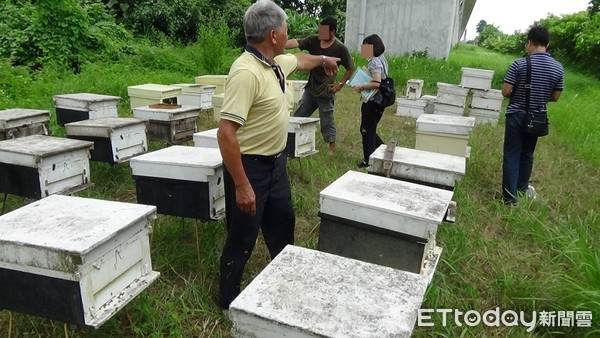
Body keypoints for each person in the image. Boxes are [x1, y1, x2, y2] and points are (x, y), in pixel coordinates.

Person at [216, 0, 340, 310]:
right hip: (250, 169)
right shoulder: (246, 72)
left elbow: (298, 59)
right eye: (285, 29)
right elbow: (226, 133)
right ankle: (228, 300)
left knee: (283, 225)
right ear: (274, 35)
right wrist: (242, 184)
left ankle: (286, 283)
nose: (288, 33)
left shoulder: (274, 63)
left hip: (276, 164)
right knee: (242, 237)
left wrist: (325, 58)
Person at [501, 25, 564, 205]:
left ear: (529, 43)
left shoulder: (519, 64)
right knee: (527, 154)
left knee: (512, 154)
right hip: (537, 117)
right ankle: (522, 189)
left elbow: (506, 91)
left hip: (516, 115)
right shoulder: (558, 68)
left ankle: (509, 198)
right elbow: (556, 96)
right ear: (547, 44)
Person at [285, 16, 355, 155]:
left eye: (324, 31)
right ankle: (290, 143)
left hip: (326, 91)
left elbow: (350, 67)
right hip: (311, 89)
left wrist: (340, 85)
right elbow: (297, 42)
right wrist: (280, 44)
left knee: (327, 120)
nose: (320, 34)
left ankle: (331, 146)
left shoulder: (340, 48)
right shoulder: (313, 40)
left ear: (332, 32)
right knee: (298, 115)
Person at [352, 34, 389, 168]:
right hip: (378, 101)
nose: (363, 49)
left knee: (366, 129)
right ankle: (384, 151)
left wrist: (360, 86)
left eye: (366, 46)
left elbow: (376, 83)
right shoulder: (382, 59)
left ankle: (369, 160)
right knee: (370, 128)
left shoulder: (374, 62)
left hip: (373, 101)